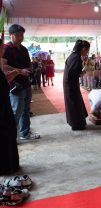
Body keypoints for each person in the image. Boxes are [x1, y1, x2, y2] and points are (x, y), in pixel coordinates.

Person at [2, 24, 40, 140]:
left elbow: (28, 65)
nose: (20, 37)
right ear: (11, 35)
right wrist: (19, 71)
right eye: (17, 35)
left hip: (26, 83)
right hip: (14, 85)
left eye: (22, 35)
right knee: (16, 111)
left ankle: (25, 133)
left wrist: (30, 69)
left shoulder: (23, 49)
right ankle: (11, 136)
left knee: (26, 110)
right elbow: (3, 66)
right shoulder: (6, 48)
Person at [0, 38, 20, 174]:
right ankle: (5, 166)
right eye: (1, 48)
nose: (3, 50)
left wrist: (10, 75)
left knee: (10, 131)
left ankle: (10, 164)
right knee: (4, 134)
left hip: (4, 103)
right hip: (1, 107)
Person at [63, 40, 90, 130]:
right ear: (83, 49)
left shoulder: (74, 55)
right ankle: (76, 124)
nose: (87, 53)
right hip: (71, 84)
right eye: (87, 50)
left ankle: (77, 123)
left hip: (71, 83)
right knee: (74, 103)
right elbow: (73, 73)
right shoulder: (76, 57)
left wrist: (81, 71)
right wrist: (82, 72)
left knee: (76, 103)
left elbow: (73, 72)